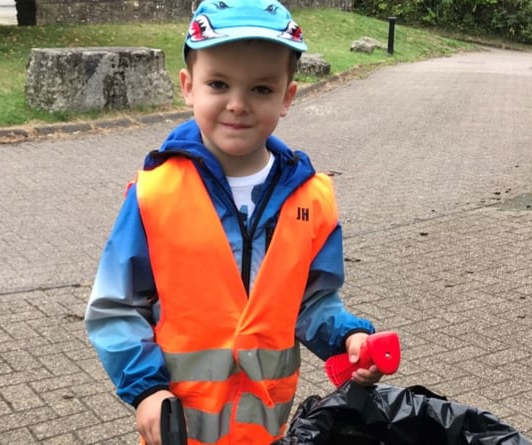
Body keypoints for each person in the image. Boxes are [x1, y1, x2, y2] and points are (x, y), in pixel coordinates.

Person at [84, 1, 385, 444]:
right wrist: (146, 389)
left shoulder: (312, 200)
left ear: (287, 96)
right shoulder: (155, 193)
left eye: (261, 89)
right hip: (180, 429)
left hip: (269, 427)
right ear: (189, 87)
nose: (238, 105)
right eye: (219, 84)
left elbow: (311, 302)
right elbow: (116, 307)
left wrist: (348, 338)